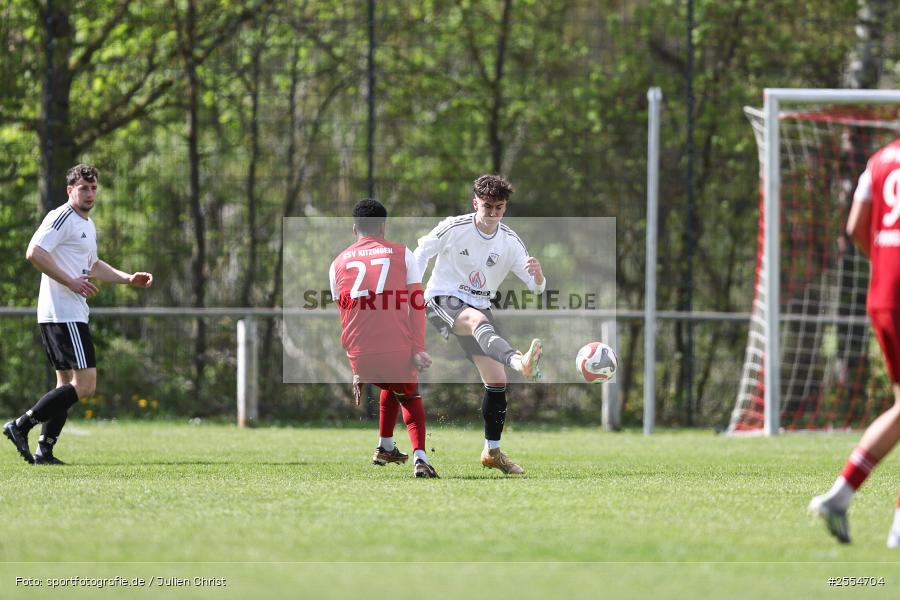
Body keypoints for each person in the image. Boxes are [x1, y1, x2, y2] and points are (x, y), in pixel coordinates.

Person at [3, 164, 153, 465]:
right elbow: (35, 252)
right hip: (63, 313)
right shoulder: (62, 217)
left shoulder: (86, 223)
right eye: (84, 188)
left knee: (65, 385)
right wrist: (69, 281)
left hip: (65, 314)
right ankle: (21, 425)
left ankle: (45, 450)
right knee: (85, 385)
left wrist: (126, 278)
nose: (90, 193)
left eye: (94, 187)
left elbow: (92, 265)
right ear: (70, 190)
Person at [414, 174, 544, 475]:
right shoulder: (454, 226)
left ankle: (492, 451)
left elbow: (536, 287)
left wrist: (537, 276)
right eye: (487, 207)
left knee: (497, 381)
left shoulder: (510, 241)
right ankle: (518, 361)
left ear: (505, 208)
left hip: (479, 308)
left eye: (499, 207)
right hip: (441, 299)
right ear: (475, 203)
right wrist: (412, 291)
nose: (493, 213)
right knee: (477, 320)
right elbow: (421, 252)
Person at [809, 139, 900, 546]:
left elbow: (854, 227)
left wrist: (885, 265)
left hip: (883, 295)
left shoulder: (881, 158)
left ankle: (842, 497)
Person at [329, 198, 439, 478]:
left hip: (360, 357)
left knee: (391, 383)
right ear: (383, 226)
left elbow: (345, 314)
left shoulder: (337, 262)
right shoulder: (402, 254)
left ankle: (385, 446)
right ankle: (421, 459)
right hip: (396, 349)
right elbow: (417, 306)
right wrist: (418, 348)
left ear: (355, 228)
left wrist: (355, 367)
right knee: (410, 395)